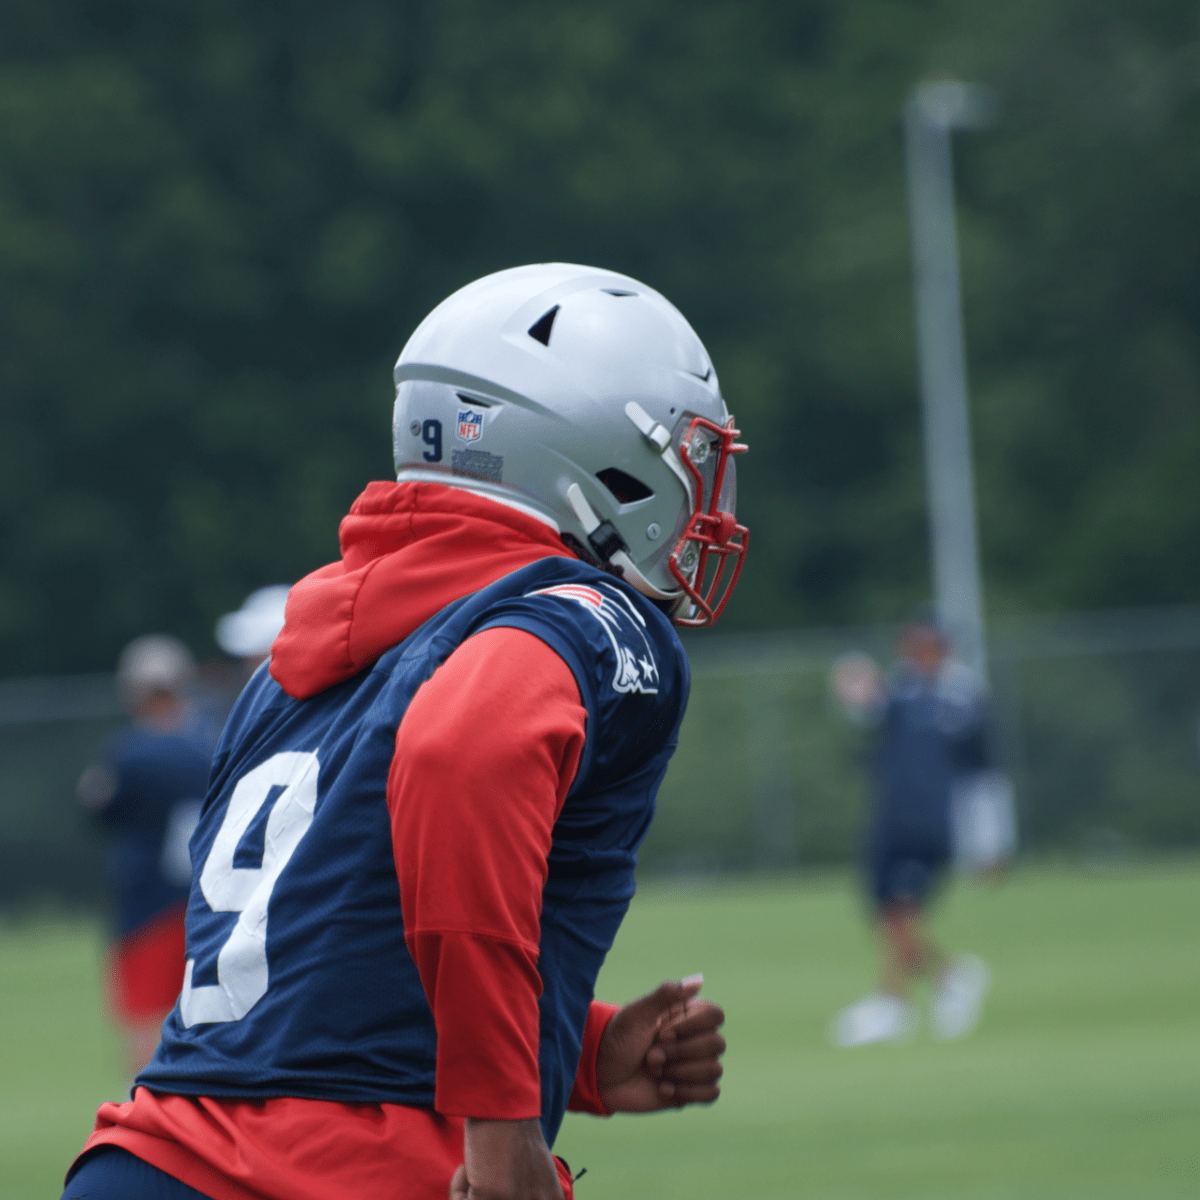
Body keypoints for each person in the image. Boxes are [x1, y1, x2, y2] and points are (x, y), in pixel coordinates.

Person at [63, 263, 748, 1200]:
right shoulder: (580, 611)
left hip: (149, 1162)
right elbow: (463, 754)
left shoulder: (302, 658)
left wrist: (573, 1051)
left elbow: (313, 945)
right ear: (592, 453)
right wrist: (506, 1129)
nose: (701, 488)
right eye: (684, 452)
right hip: (350, 1171)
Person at [828, 619, 995, 1046]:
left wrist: (992, 841)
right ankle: (949, 978)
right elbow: (866, 708)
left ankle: (893, 1003)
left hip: (931, 826)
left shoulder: (962, 703)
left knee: (903, 911)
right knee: (885, 913)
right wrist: (853, 688)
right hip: (889, 821)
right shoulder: (899, 696)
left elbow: (984, 775)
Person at [77, 635, 214, 1079]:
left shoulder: (130, 754)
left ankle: (150, 1128)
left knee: (145, 1025)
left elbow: (99, 808)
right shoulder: (214, 741)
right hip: (211, 903)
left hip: (147, 905)